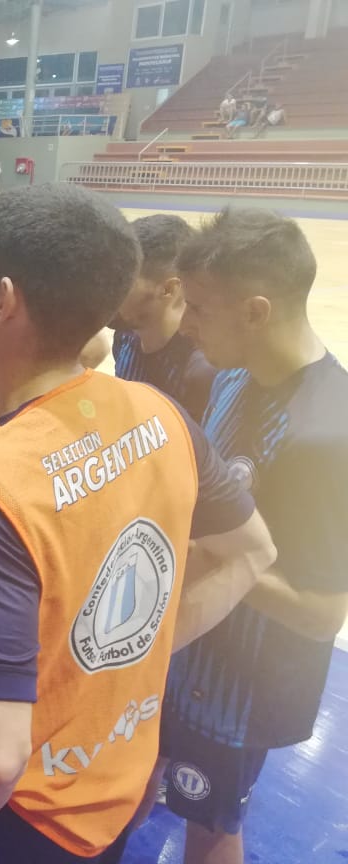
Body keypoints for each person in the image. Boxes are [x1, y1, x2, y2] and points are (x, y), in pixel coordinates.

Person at [0, 183, 275, 862]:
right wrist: (131, 661)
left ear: (4, 299)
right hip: (117, 785)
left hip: (23, 823)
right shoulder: (158, 412)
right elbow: (251, 553)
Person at [133, 209, 348, 864]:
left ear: (256, 311)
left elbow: (320, 614)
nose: (187, 326)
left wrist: (209, 557)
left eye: (199, 309)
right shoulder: (223, 375)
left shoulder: (329, 433)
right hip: (183, 647)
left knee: (211, 825)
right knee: (133, 774)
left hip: (239, 688)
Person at [112, 214, 216, 422]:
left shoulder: (203, 370)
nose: (109, 291)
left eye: (123, 281)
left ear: (168, 289)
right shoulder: (124, 338)